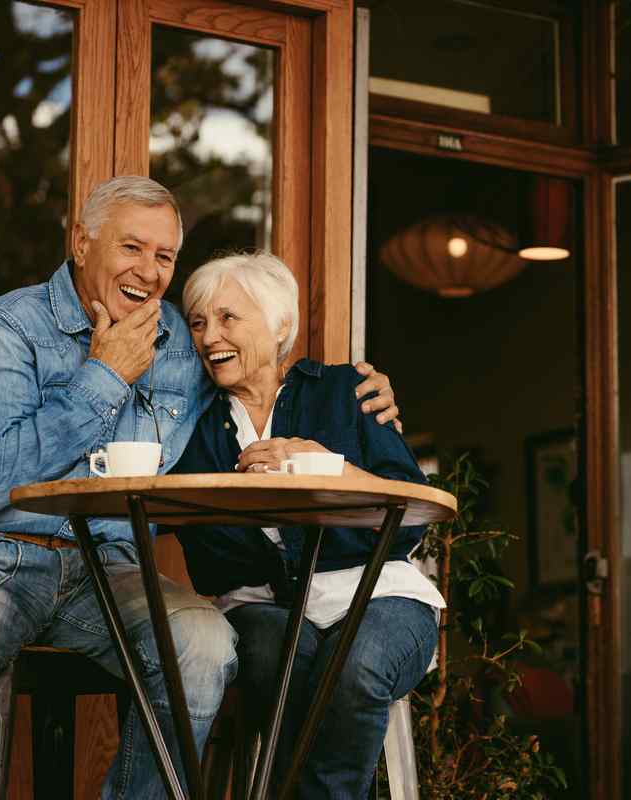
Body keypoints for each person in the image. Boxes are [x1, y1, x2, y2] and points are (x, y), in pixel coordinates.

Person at [0, 175, 401, 800]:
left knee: (206, 651)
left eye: (165, 257)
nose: (149, 271)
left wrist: (358, 393)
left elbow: (259, 373)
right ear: (81, 242)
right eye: (132, 248)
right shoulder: (8, 328)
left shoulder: (184, 342)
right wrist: (103, 376)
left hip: (114, 566)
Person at [171, 251, 442, 800]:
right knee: (281, 663)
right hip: (262, 606)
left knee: (356, 666)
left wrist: (332, 468)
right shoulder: (195, 428)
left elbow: (409, 518)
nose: (208, 336)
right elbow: (208, 560)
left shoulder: (346, 391)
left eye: (228, 318)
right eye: (198, 322)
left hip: (379, 595)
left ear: (280, 329)